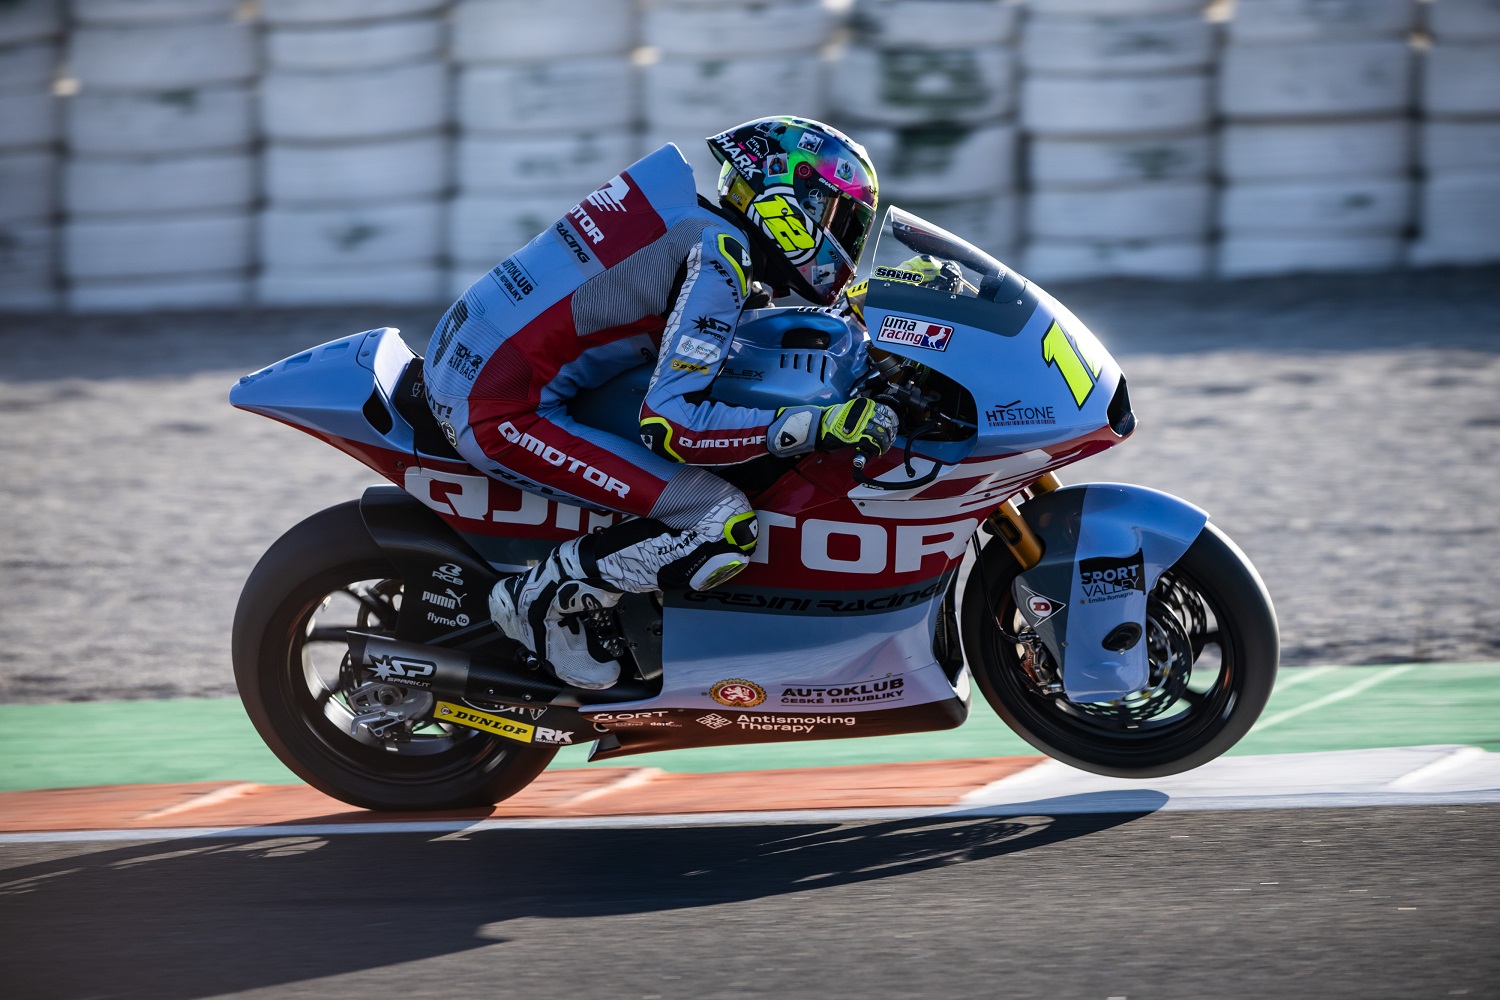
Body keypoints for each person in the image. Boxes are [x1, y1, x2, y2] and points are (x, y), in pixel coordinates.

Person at [423, 116, 898, 690]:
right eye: (835, 217)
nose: (842, 239)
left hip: (472, 356)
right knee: (719, 521)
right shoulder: (718, 253)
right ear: (785, 199)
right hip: (494, 406)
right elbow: (674, 426)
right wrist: (814, 426)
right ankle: (537, 600)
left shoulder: (696, 224)